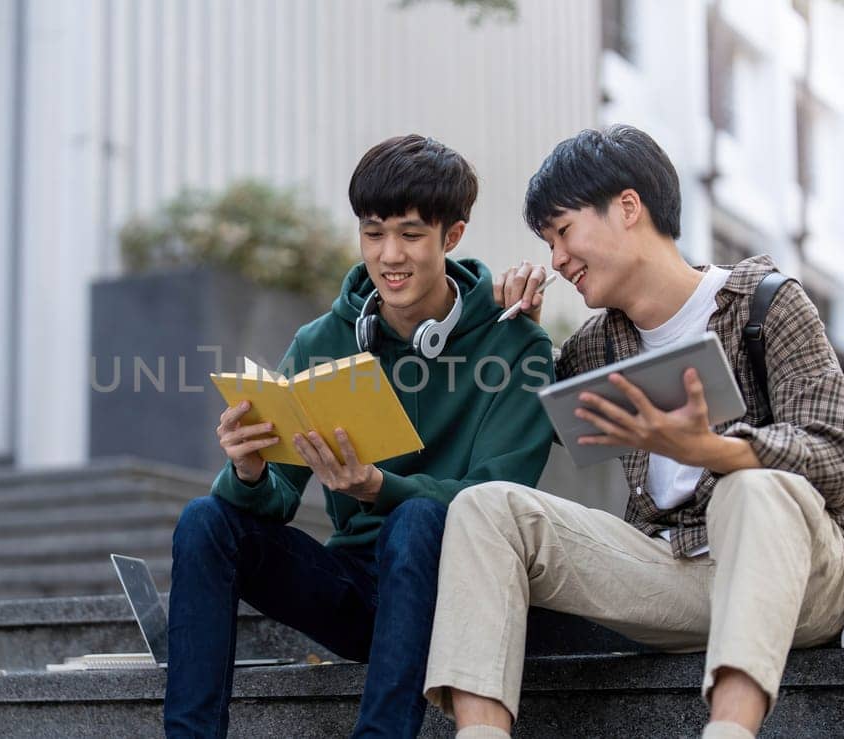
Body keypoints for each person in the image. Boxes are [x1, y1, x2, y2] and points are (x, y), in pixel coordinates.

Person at [422, 125, 844, 739]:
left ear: (628, 208)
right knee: (486, 509)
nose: (556, 259)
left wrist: (717, 450)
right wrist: (522, 335)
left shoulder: (764, 303)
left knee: (753, 488)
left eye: (563, 232)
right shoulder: (600, 345)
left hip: (805, 576)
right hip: (677, 572)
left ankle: (729, 730)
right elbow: (529, 416)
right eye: (548, 243)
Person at [164, 134, 556, 738]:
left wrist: (381, 488)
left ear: (452, 236)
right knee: (203, 520)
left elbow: (496, 502)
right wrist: (247, 472)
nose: (389, 255)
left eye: (410, 234)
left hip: (455, 593)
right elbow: (278, 499)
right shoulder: (323, 341)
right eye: (373, 233)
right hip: (355, 590)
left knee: (418, 520)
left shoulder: (517, 348)